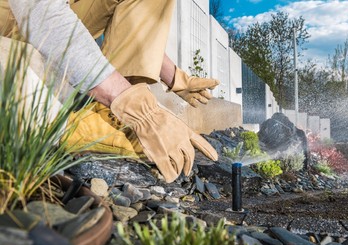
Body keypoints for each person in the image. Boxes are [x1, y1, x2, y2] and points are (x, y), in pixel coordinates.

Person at [0, 0, 219, 183]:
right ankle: (87, 123)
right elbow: (40, 11)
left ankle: (106, 115)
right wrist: (139, 109)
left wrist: (176, 78)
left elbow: (131, 24)